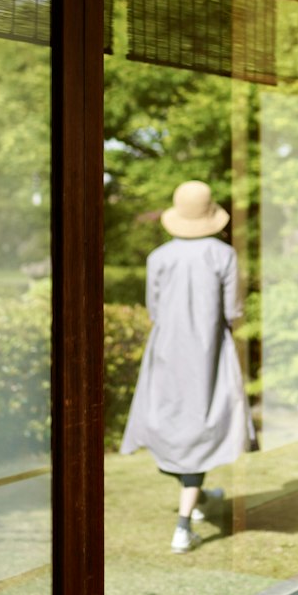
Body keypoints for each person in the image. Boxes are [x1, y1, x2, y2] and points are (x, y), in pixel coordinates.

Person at [120, 179, 254, 552]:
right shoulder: (222, 255)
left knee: (173, 419)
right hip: (208, 349)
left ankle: (196, 496)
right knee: (204, 419)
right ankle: (183, 526)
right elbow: (233, 310)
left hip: (166, 348)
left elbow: (155, 308)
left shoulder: (159, 257)